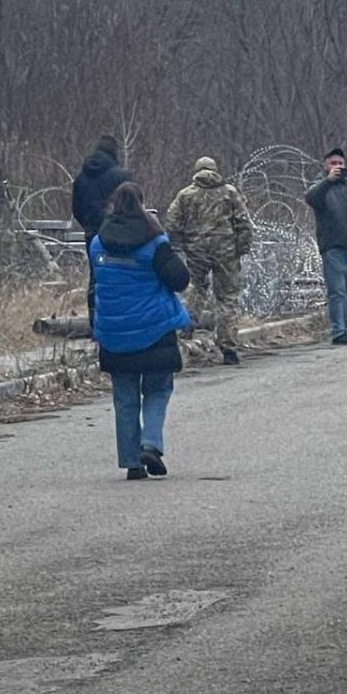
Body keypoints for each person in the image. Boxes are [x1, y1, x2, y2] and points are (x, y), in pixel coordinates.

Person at [90, 182, 190, 480]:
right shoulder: (155, 243)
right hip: (155, 330)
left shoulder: (98, 243)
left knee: (124, 397)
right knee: (158, 389)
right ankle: (151, 443)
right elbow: (180, 280)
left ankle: (132, 462)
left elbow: (97, 285)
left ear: (114, 205)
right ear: (143, 205)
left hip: (114, 332)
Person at [164, 158, 252, 365]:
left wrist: (179, 245)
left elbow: (172, 222)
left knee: (196, 289)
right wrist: (241, 248)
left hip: (196, 251)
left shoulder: (185, 195)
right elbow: (244, 223)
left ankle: (186, 329)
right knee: (227, 298)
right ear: (215, 171)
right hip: (226, 251)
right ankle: (228, 347)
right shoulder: (229, 192)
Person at [304, 148, 347, 345]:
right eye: (333, 164)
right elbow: (310, 198)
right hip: (333, 247)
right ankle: (339, 331)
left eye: (340, 164)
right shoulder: (320, 187)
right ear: (326, 166)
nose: (337, 167)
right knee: (338, 291)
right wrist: (328, 180)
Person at [71, 135, 132, 323]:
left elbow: (76, 209)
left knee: (96, 275)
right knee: (119, 274)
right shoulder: (121, 176)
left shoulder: (80, 178)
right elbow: (130, 206)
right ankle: (117, 320)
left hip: (92, 234)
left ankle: (94, 322)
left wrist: (89, 226)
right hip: (117, 234)